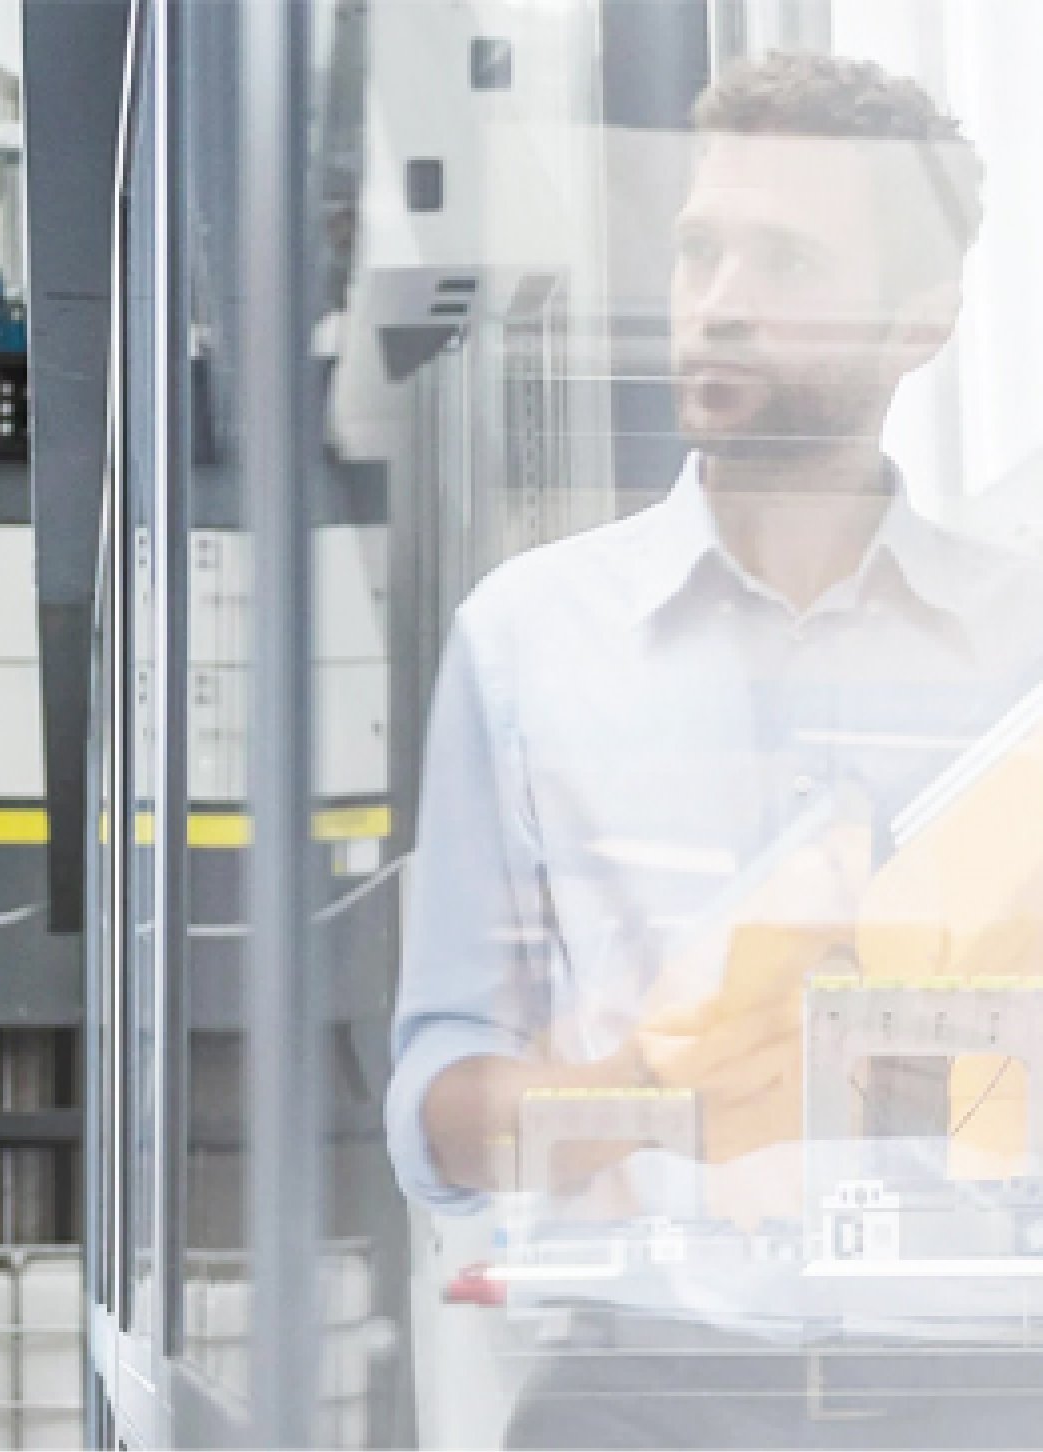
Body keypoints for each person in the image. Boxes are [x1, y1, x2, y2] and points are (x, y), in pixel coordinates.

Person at [387, 51, 1043, 1448]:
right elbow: (441, 1106)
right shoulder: (528, 640)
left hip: (985, 1390)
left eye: (789, 259)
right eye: (700, 250)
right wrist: (643, 1103)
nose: (721, 302)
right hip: (641, 1391)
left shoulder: (1027, 657)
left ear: (922, 317)